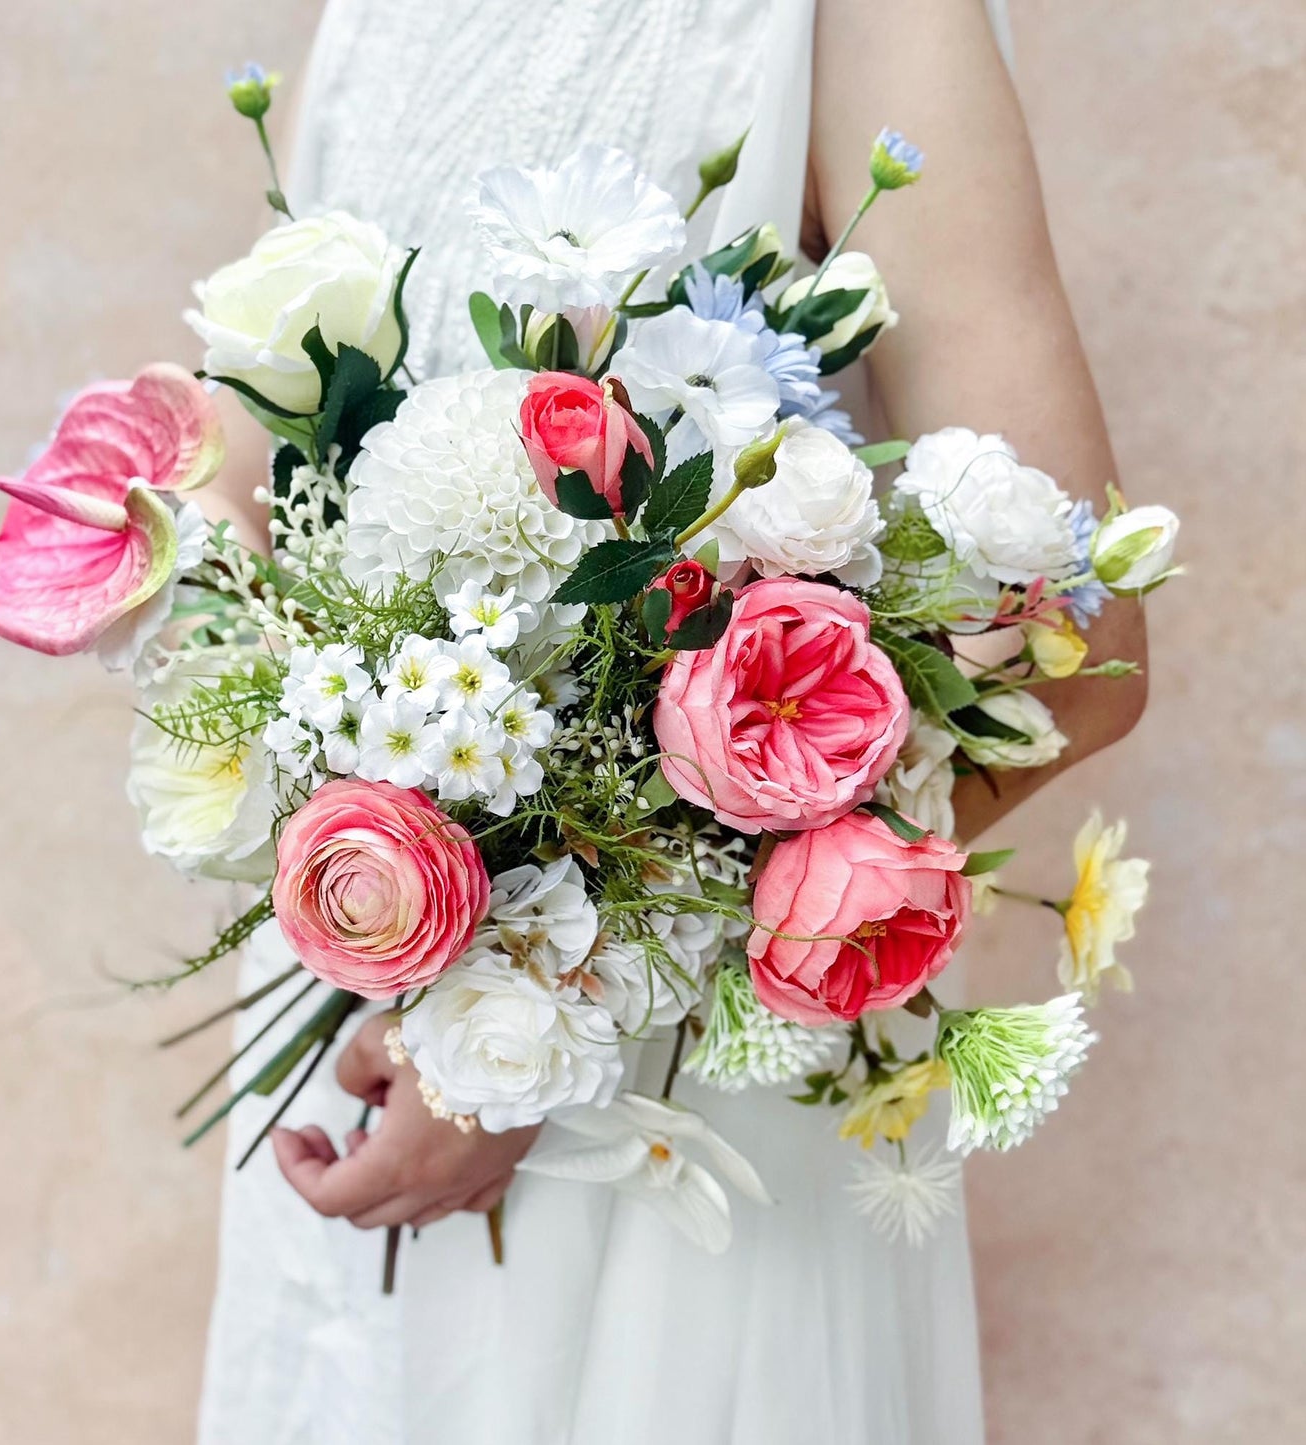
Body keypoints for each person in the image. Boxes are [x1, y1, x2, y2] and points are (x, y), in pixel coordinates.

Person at [195, 2, 1148, 1441]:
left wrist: (531, 1018)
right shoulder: (369, 22)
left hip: (671, 1119)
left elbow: (1079, 639)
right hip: (360, 1045)